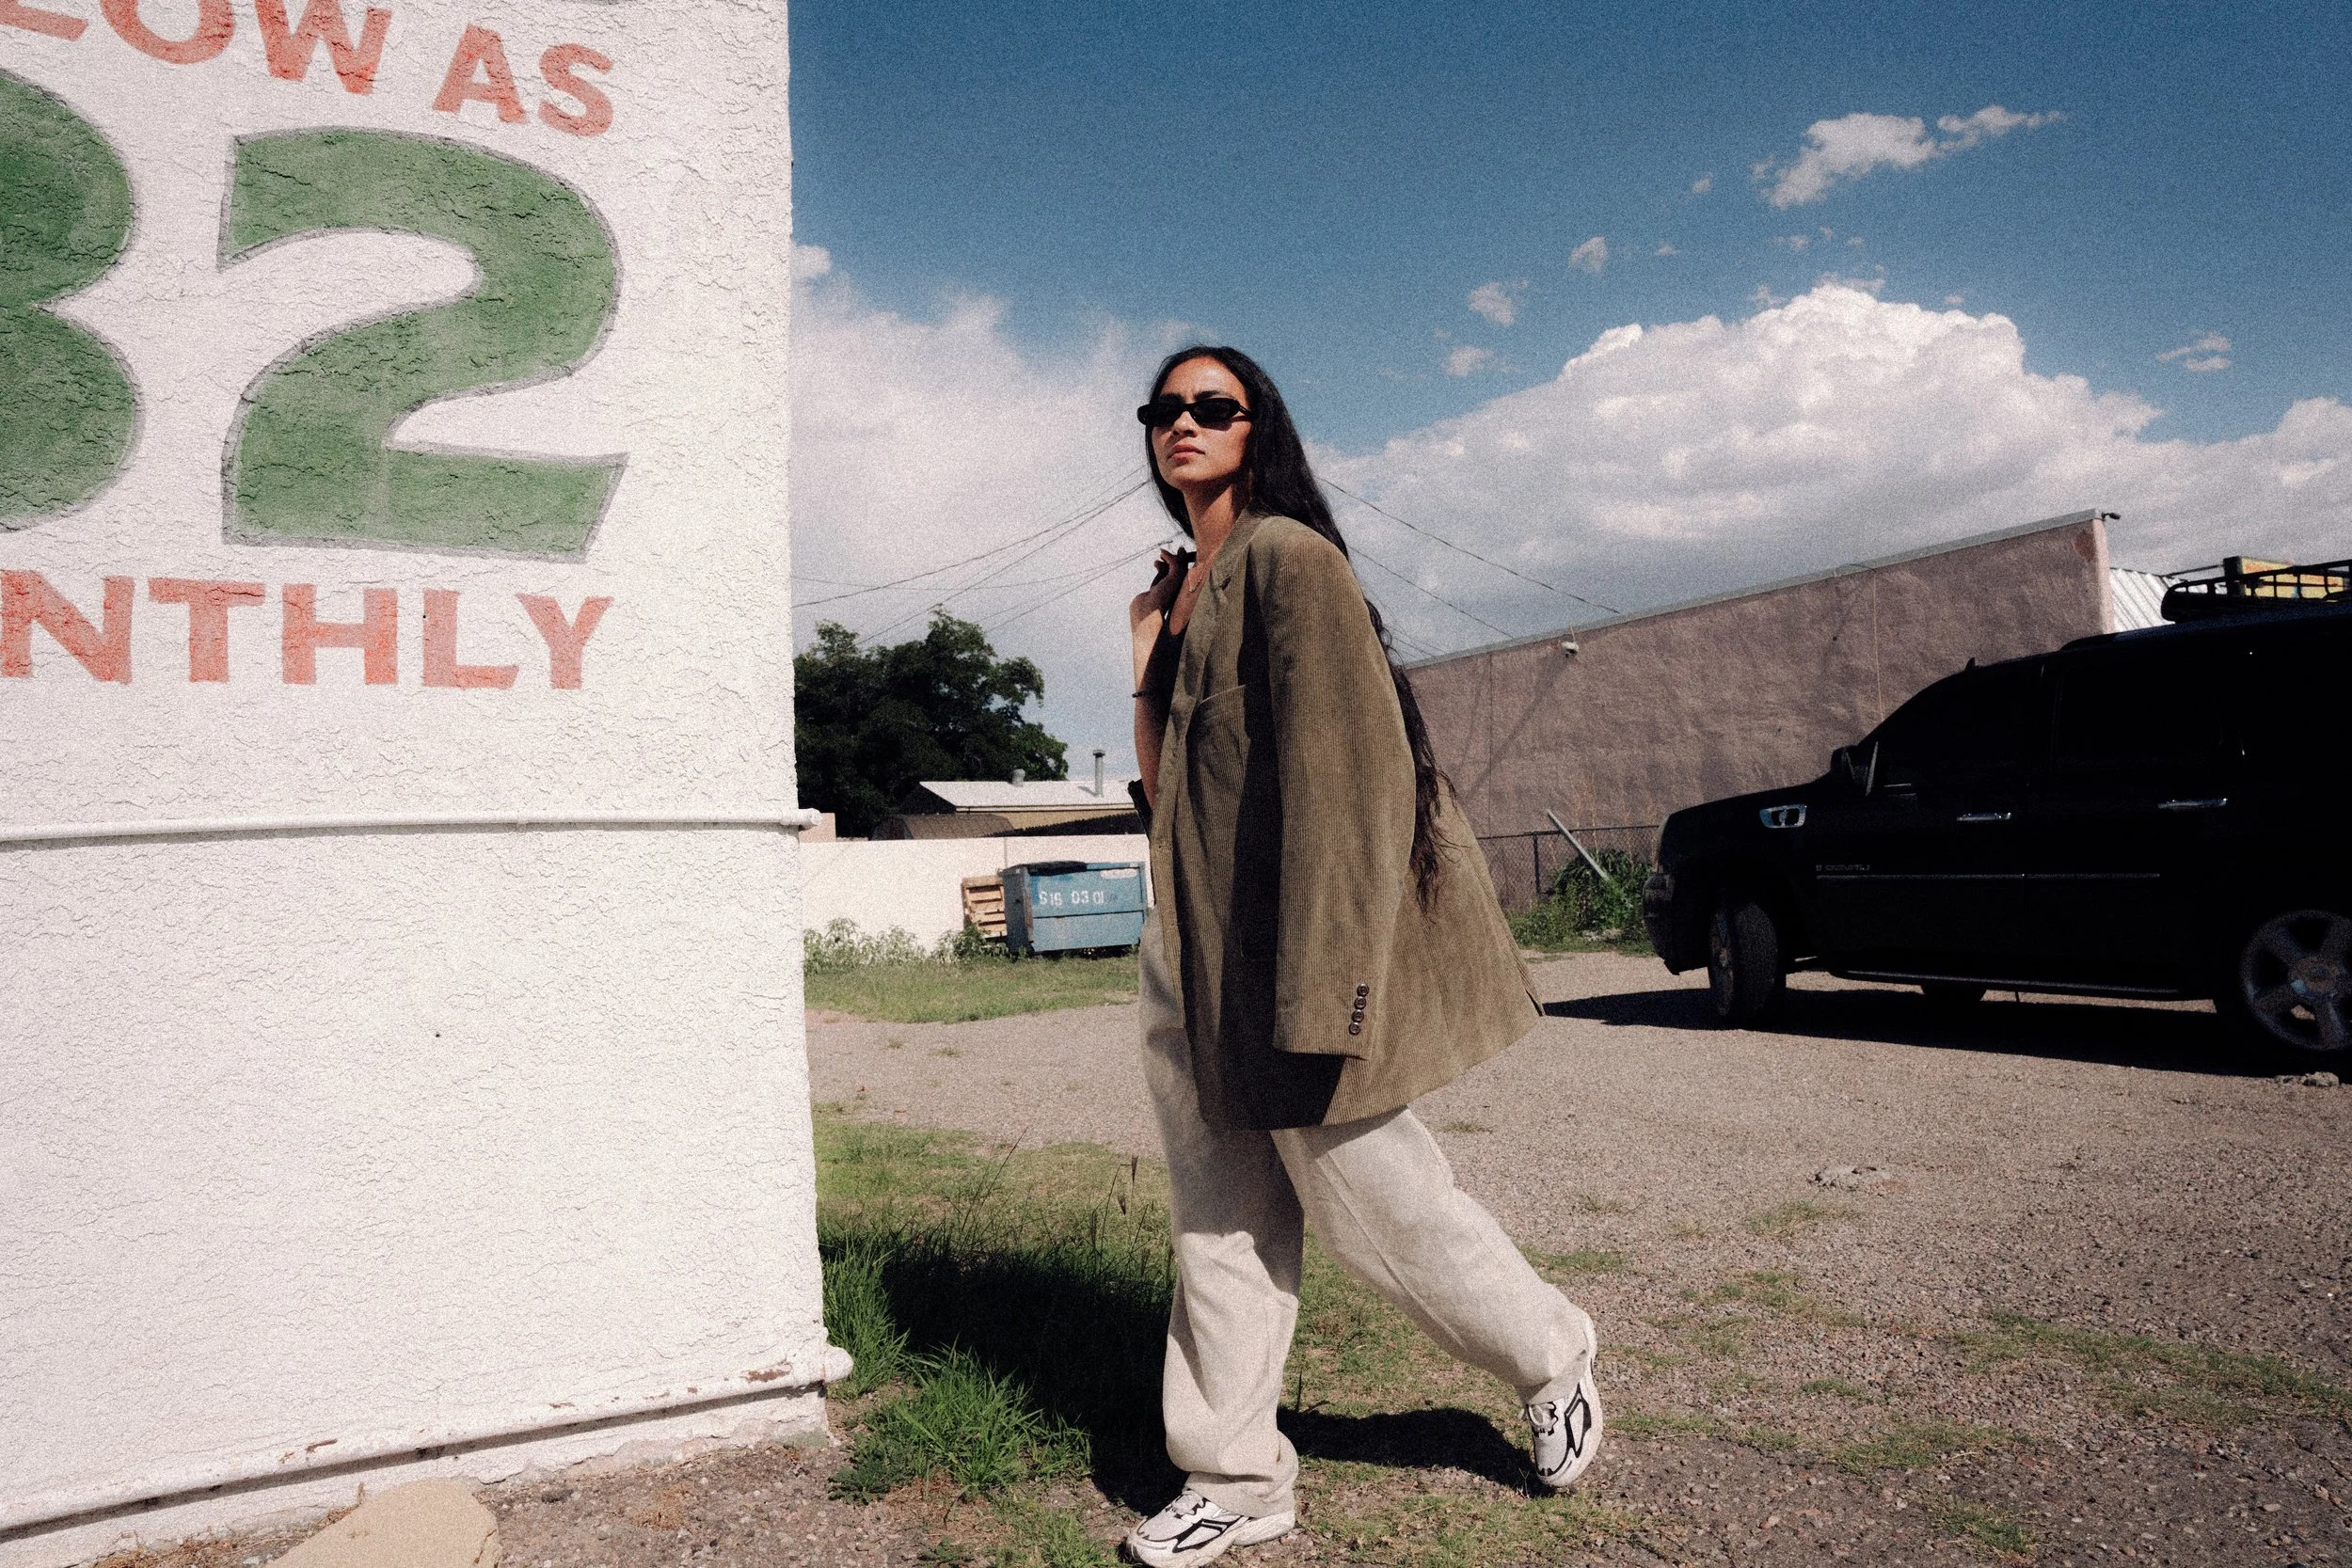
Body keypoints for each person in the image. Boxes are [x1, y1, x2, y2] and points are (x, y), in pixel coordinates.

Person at [1120, 346, 1602, 1568]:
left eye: (1212, 406)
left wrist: (1331, 986)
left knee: (1381, 1211)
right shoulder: (1182, 591)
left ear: (1257, 427)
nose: (1184, 422)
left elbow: (1355, 780)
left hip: (1288, 960)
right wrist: (1144, 657)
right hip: (1189, 959)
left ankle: (1552, 1352)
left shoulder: (1290, 561)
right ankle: (1234, 1475)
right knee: (1217, 1225)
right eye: (1165, 408)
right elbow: (1166, 802)